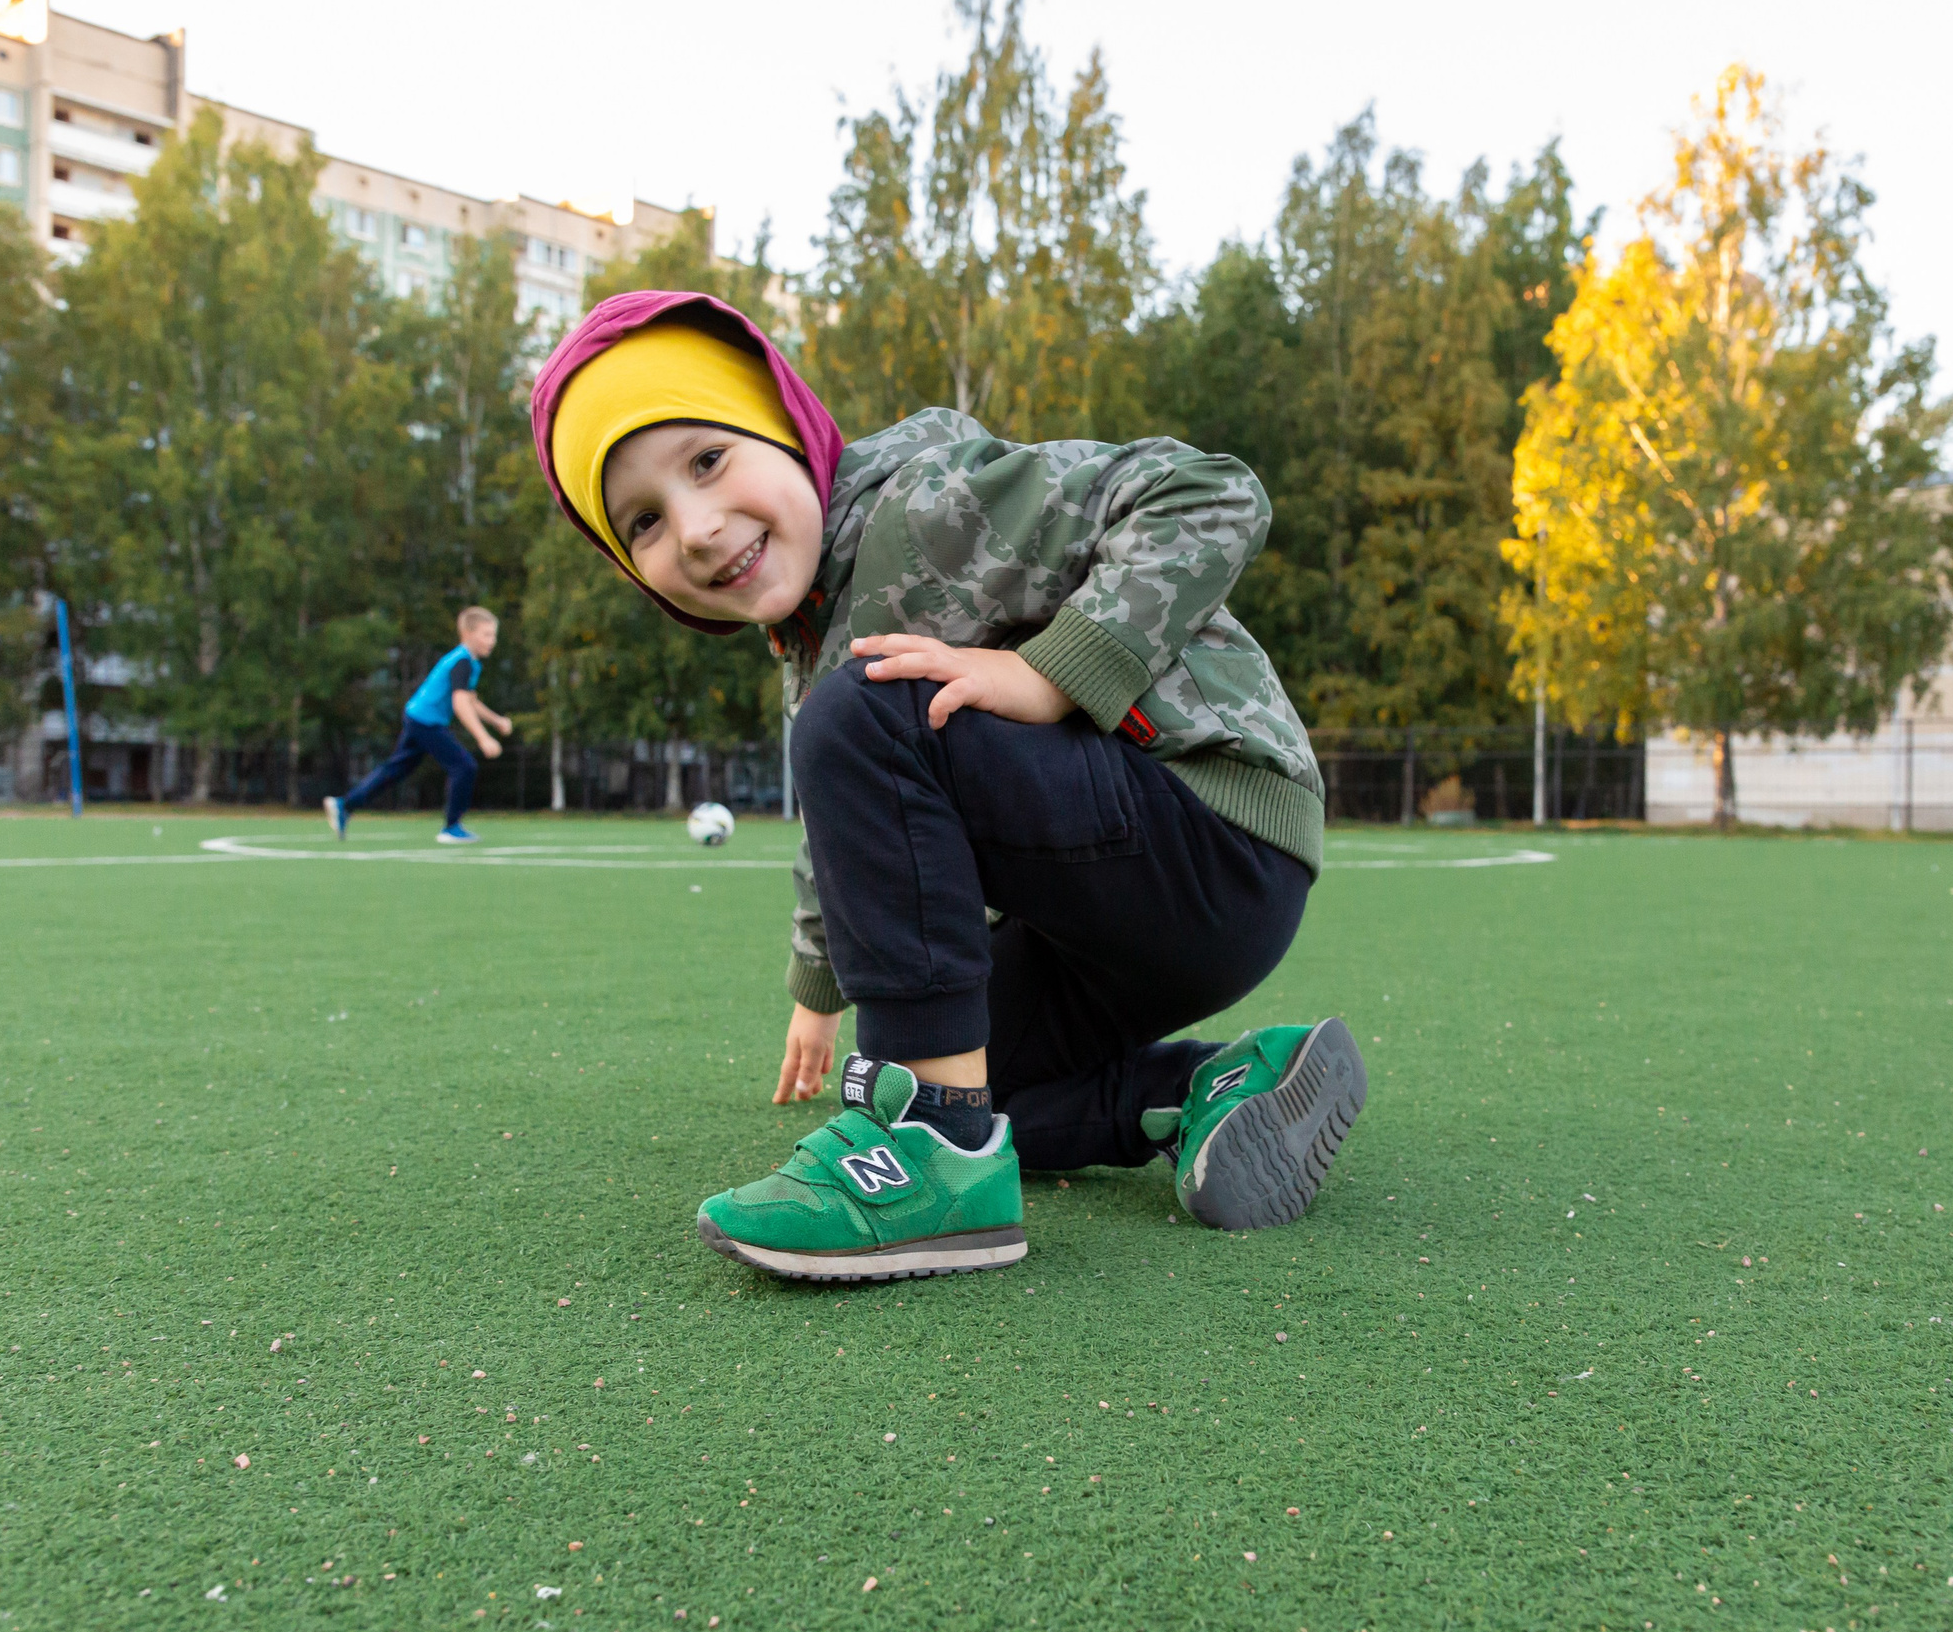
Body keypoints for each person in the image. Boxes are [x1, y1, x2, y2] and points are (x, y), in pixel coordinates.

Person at [529, 293, 1366, 1283]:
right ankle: (1206, 1089)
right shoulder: (816, 628)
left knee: (860, 716)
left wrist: (1053, 672)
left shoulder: (931, 502)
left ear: (788, 424)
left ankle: (927, 1151)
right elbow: (846, 829)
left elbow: (1210, 493)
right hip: (1108, 927)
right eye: (645, 522)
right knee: (979, 1074)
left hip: (1211, 828)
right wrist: (818, 987)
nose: (699, 527)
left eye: (708, 459)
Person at [325, 607, 510, 846]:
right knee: (464, 766)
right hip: (425, 721)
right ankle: (451, 827)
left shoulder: (469, 663)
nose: (492, 641)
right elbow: (460, 702)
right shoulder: (462, 661)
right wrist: (483, 737)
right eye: (486, 635)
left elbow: (471, 699)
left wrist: (496, 721)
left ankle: (344, 806)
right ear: (467, 633)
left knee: (396, 769)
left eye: (493, 635)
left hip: (417, 717)